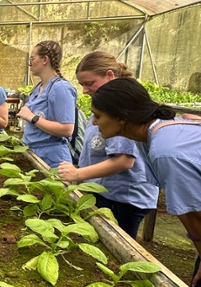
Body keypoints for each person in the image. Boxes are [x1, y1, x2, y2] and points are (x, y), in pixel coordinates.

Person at [91, 77, 201, 287]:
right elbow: (187, 210)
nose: (93, 122)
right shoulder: (148, 138)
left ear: (121, 117)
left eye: (98, 115)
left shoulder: (165, 149)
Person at [57, 52, 158, 239]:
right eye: (82, 85)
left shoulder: (121, 107)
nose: (85, 90)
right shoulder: (105, 105)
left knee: (119, 247)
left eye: (89, 83)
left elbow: (124, 160)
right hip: (107, 193)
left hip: (123, 198)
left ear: (110, 76)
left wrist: (78, 174)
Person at [18, 40, 76, 168]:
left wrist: (32, 117)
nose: (29, 63)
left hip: (53, 158)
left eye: (32, 58)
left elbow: (67, 130)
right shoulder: (38, 87)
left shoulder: (61, 88)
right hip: (34, 153)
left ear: (45, 59)